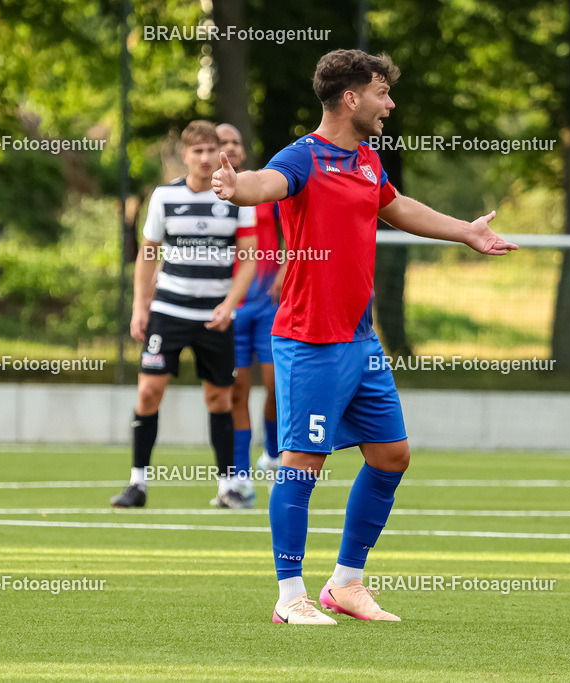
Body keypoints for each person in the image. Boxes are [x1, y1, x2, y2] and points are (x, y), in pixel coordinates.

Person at [212, 49, 517, 625]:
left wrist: (465, 234)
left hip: (360, 341)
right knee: (302, 464)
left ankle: (346, 583)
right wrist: (237, 187)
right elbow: (266, 183)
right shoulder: (302, 157)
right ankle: (289, 596)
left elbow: (396, 207)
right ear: (351, 98)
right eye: (382, 92)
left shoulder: (368, 161)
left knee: (392, 455)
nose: (390, 104)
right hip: (310, 340)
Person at [111, 120, 257, 508]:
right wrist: (141, 305)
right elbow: (148, 254)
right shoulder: (163, 197)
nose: (207, 157)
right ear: (185, 155)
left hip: (215, 317)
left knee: (220, 400)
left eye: (213, 150)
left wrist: (229, 306)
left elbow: (248, 259)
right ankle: (137, 483)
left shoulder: (237, 196)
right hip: (168, 312)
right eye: (199, 151)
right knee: (148, 391)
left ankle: (227, 488)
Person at [213, 124, 286, 509]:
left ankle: (272, 456)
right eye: (223, 143)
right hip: (228, 306)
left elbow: (294, 233)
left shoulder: (263, 188)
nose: (231, 148)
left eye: (236, 142)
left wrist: (285, 270)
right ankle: (239, 479)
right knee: (236, 391)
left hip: (268, 304)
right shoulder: (205, 196)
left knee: (275, 387)